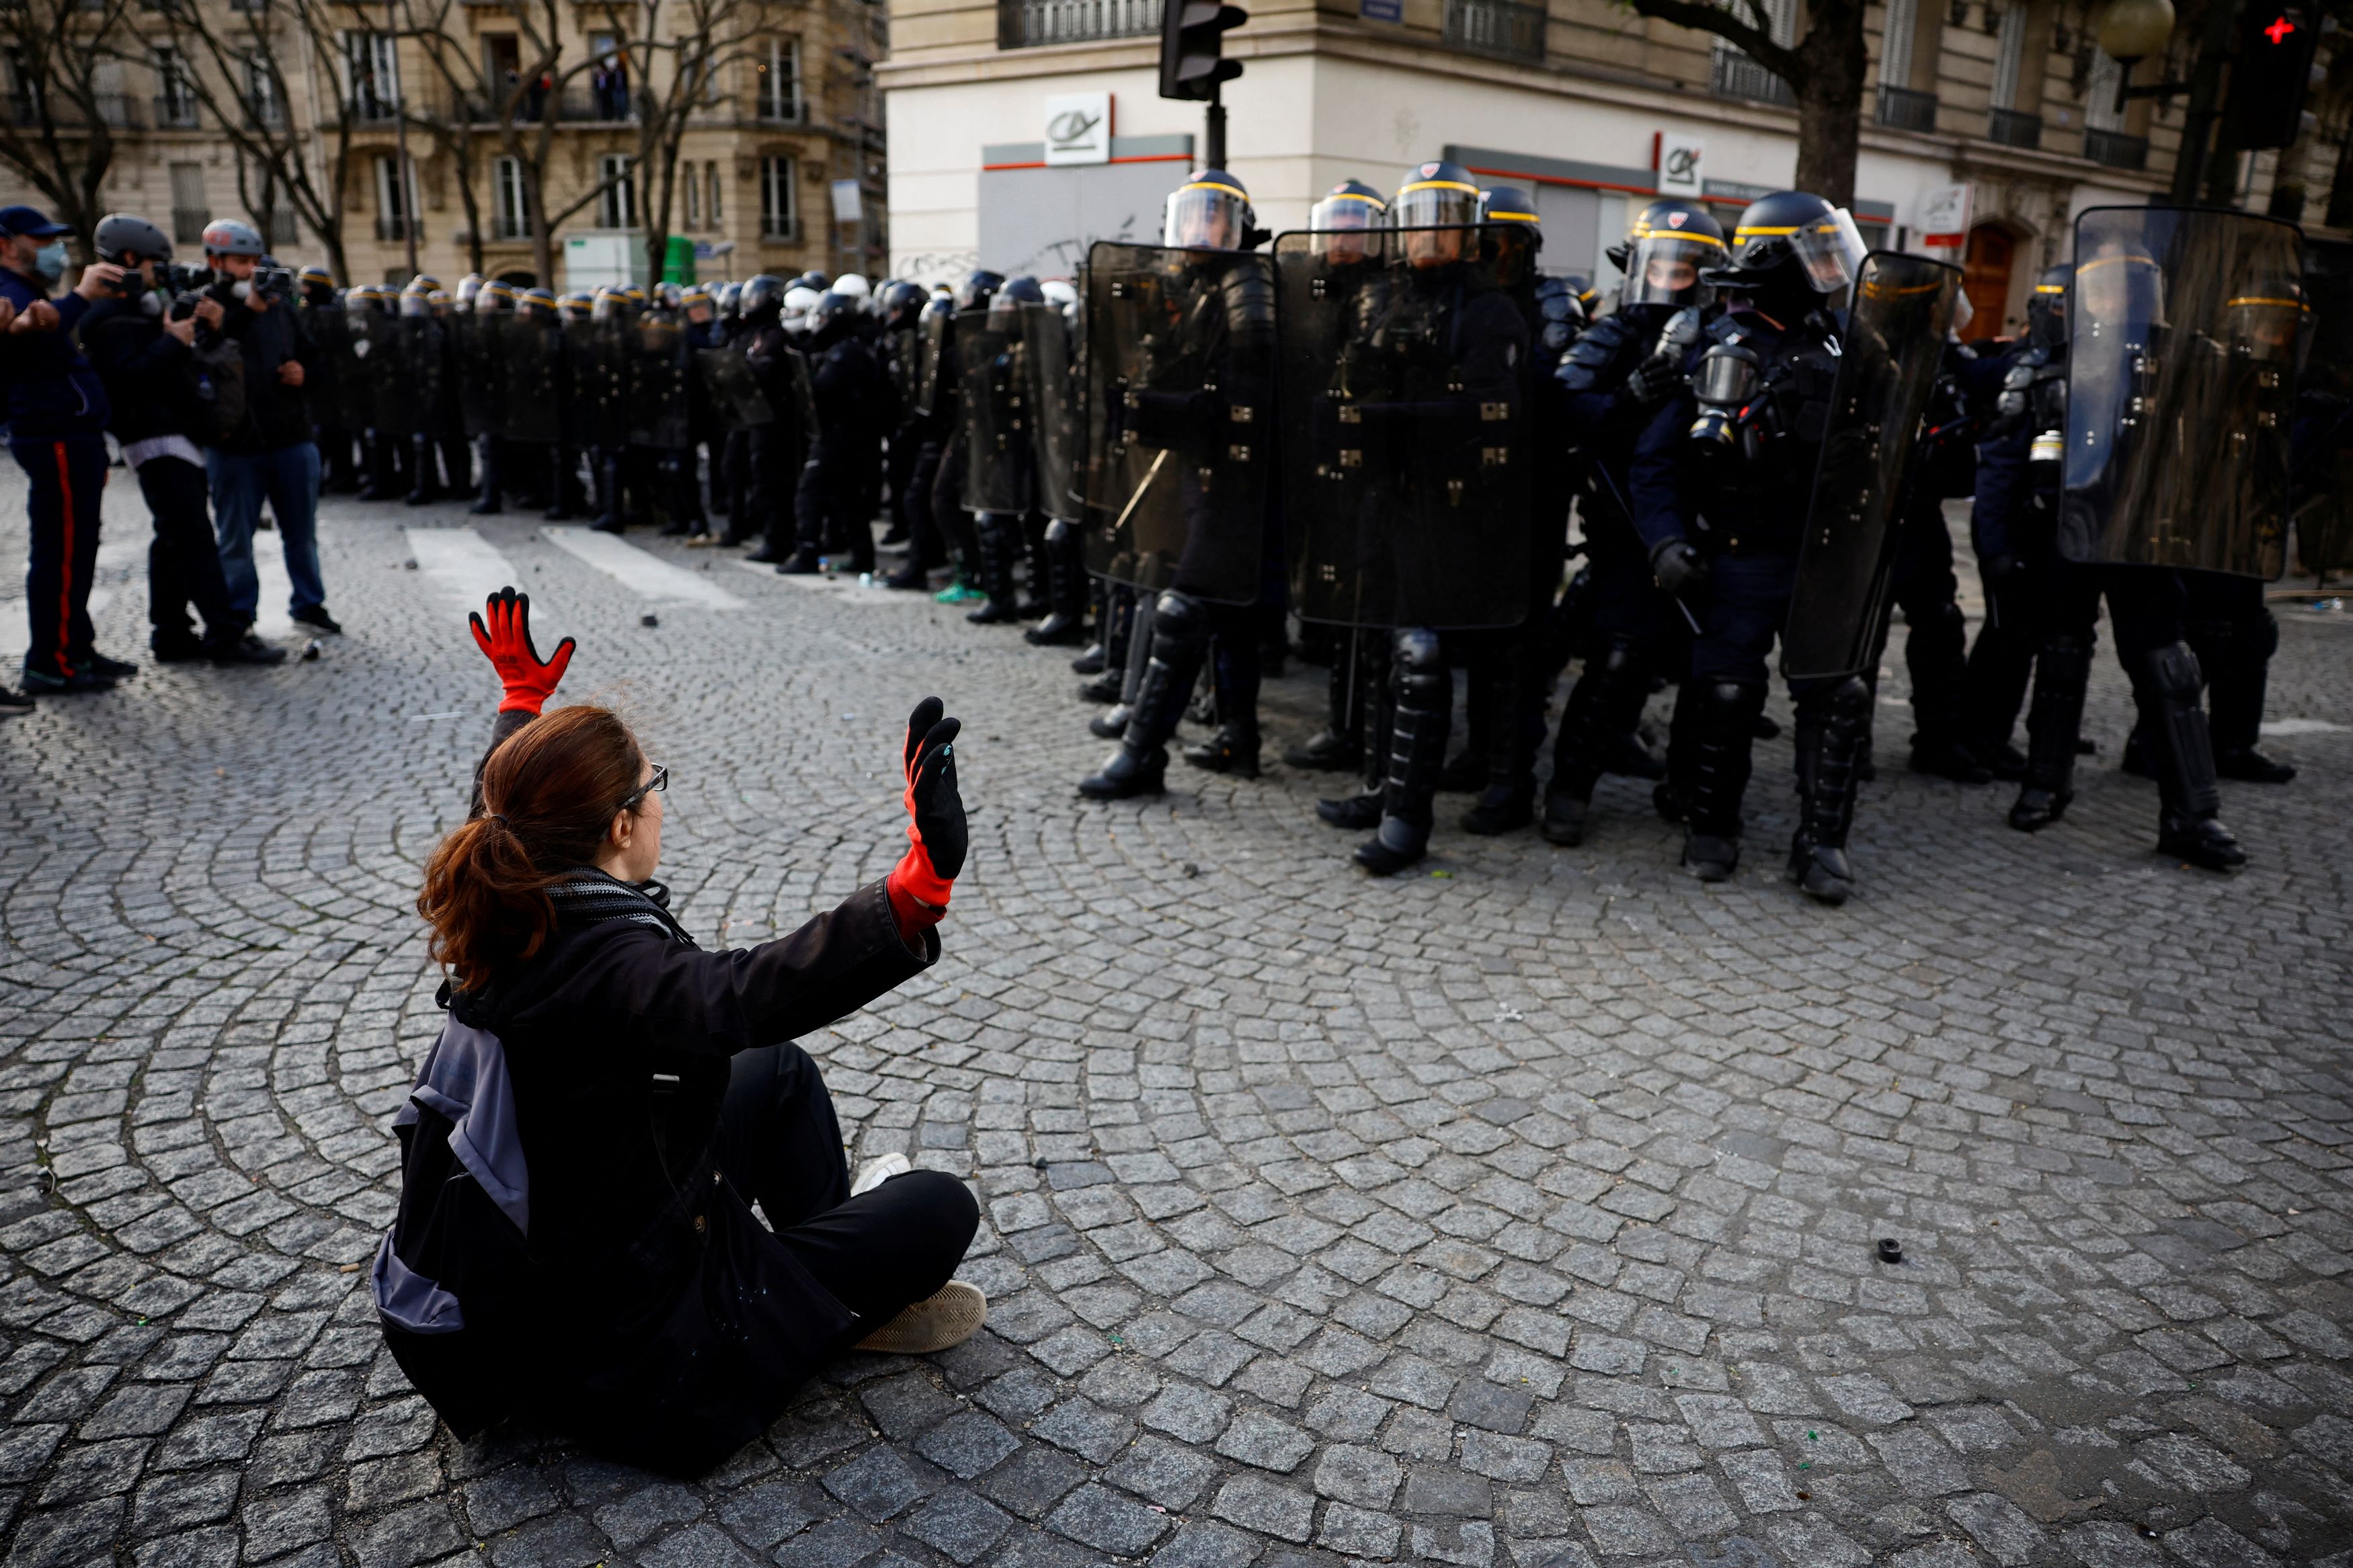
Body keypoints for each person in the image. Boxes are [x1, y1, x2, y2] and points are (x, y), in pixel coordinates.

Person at [383, 589, 984, 1478]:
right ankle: (804, 1309)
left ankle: (816, 1282)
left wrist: (520, 705)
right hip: (634, 1356)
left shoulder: (513, 890)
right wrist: (914, 893)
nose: (660, 800)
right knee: (943, 1207)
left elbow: (496, 802)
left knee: (774, 1071)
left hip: (576, 1240)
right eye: (652, 786)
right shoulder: (608, 974)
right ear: (622, 824)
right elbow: (746, 993)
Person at [1540, 198, 1720, 847]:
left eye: (1687, 266)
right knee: (1619, 656)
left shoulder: (1725, 335)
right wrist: (1624, 402)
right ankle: (1570, 787)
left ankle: (1688, 786)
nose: (1671, 276)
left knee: (1704, 665)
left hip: (1706, 524)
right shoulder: (1613, 334)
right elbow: (1561, 409)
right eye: (1662, 263)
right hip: (1624, 524)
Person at [79, 212, 284, 667]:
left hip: (173, 434)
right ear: (131, 258)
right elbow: (128, 379)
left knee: (172, 538)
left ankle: (171, 631)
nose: (159, 274)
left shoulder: (136, 312)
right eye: (155, 264)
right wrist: (173, 341)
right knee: (193, 537)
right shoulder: (108, 317)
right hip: (154, 437)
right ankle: (226, 633)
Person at [198, 218, 337, 635]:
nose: (251, 271)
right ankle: (240, 616)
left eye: (255, 261)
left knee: (301, 533)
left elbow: (317, 361)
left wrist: (304, 374)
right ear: (216, 262)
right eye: (242, 262)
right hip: (235, 444)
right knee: (235, 540)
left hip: (291, 438)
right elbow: (206, 354)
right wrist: (245, 312)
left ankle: (309, 603)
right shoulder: (207, 303)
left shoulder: (281, 309)